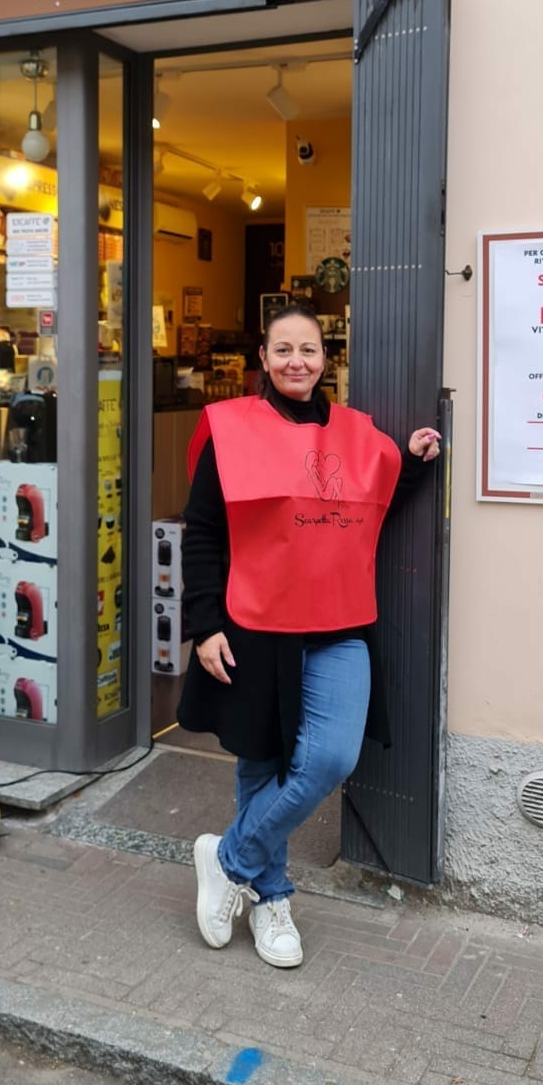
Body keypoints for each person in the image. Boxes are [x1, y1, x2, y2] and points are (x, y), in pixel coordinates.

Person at [178, 300, 440, 969]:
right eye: (283, 349)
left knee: (329, 759)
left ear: (327, 360)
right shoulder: (230, 430)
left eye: (310, 350)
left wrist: (410, 458)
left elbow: (373, 493)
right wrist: (203, 625)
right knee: (261, 761)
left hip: (338, 623)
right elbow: (203, 532)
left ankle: (228, 858)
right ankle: (271, 902)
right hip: (255, 622)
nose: (297, 361)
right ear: (262, 360)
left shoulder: (355, 435)